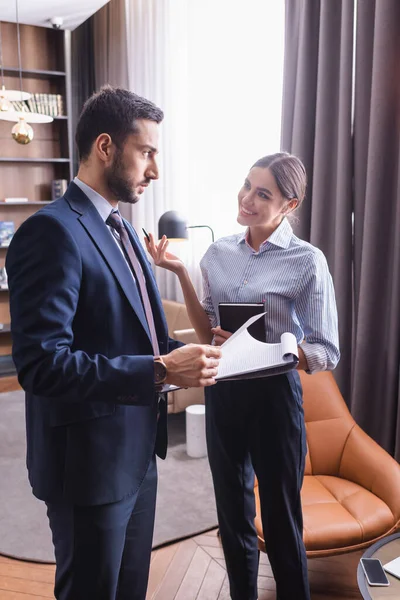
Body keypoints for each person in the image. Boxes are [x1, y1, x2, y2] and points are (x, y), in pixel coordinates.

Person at [5, 85, 221, 600]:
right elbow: (41, 365)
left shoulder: (124, 230)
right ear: (106, 147)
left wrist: (203, 354)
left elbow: (143, 332)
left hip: (138, 454)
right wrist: (162, 371)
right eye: (147, 153)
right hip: (86, 467)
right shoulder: (51, 232)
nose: (155, 171)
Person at [145, 152, 340, 600]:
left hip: (276, 399)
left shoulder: (307, 262)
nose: (247, 198)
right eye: (247, 185)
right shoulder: (217, 254)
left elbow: (325, 350)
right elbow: (205, 329)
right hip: (225, 393)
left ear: (288, 205)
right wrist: (180, 273)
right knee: (233, 517)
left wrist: (272, 352)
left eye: (263, 193)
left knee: (281, 519)